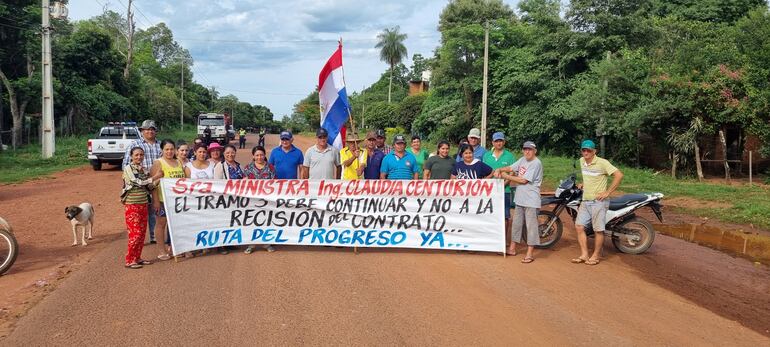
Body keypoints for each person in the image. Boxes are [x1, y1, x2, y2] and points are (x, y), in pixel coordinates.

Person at [572, 139, 624, 266]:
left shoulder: (602, 163)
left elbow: (619, 175)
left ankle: (596, 255)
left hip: (598, 202)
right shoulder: (581, 161)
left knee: (598, 230)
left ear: (594, 151)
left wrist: (607, 192)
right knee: (579, 226)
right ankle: (584, 254)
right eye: (583, 150)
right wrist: (583, 184)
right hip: (586, 200)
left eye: (588, 150)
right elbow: (590, 177)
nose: (586, 152)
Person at [497, 141, 543, 263]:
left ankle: (530, 253)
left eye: (530, 149)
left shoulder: (536, 163)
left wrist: (506, 176)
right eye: (525, 149)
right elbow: (511, 167)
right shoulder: (522, 160)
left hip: (531, 200)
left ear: (535, 151)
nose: (527, 151)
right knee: (516, 224)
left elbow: (523, 180)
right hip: (520, 199)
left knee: (531, 227)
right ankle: (512, 248)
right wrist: (500, 169)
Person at [122, 120, 161, 244]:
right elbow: (126, 165)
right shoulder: (135, 145)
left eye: (152, 129)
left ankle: (154, 235)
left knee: (154, 210)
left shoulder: (160, 145)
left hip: (157, 183)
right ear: (141, 131)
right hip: (139, 185)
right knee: (139, 212)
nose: (149, 131)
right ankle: (137, 238)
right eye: (146, 129)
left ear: (155, 131)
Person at [149, 139, 186, 261]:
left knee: (176, 224)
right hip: (162, 200)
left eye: (171, 149)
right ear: (162, 150)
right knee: (161, 224)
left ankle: (173, 248)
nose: (169, 152)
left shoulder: (178, 162)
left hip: (177, 200)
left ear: (175, 150)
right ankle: (161, 250)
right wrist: (155, 201)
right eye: (167, 149)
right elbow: (153, 183)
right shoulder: (158, 163)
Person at [120, 147, 157, 269]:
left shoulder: (144, 170)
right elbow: (137, 182)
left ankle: (137, 257)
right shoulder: (128, 169)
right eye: (136, 155)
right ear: (131, 156)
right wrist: (155, 177)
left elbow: (149, 187)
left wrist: (157, 182)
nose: (139, 157)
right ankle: (130, 260)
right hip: (132, 204)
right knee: (135, 234)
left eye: (141, 155)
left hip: (143, 203)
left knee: (141, 233)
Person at [483, 132, 516, 247]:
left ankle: (503, 240)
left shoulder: (510, 156)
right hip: (489, 191)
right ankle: (490, 239)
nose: (499, 143)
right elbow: (484, 172)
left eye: (501, 141)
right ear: (492, 142)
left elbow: (512, 172)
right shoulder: (486, 155)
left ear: (504, 142)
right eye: (496, 141)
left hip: (504, 191)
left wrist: (504, 184)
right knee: (488, 215)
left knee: (505, 216)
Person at [242, 145, 277, 254]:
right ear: (253, 156)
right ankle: (251, 244)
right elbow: (243, 184)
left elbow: (275, 184)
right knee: (251, 221)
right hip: (252, 200)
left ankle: (266, 243)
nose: (259, 157)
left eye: (261, 155)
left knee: (266, 221)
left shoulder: (270, 168)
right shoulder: (248, 168)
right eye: (257, 155)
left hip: (267, 200)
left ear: (264, 155)